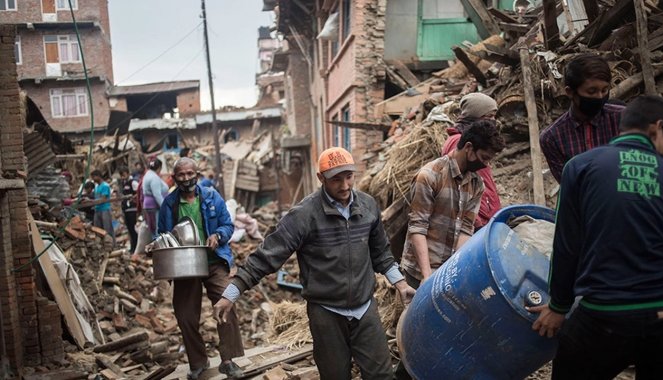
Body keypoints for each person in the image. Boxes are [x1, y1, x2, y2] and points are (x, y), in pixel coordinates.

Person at [213, 147, 416, 380]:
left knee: (382, 375)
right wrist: (231, 293)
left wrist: (401, 284)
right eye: (336, 179)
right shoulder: (304, 215)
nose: (345, 186)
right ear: (321, 179)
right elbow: (266, 257)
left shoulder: (368, 207)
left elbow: (381, 254)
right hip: (326, 313)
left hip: (364, 308)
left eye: (349, 177)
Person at [529, 95, 663, 378]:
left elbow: (567, 244)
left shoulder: (581, 167)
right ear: (657, 128)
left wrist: (559, 306)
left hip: (603, 314)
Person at [157, 157, 244, 379]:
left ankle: (228, 360)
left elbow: (228, 225)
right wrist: (156, 244)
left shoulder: (212, 196)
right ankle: (198, 362)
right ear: (174, 177)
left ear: (197, 174)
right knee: (185, 315)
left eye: (189, 174)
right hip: (185, 266)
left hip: (215, 261)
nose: (186, 179)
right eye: (181, 175)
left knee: (227, 301)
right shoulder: (170, 204)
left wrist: (218, 235)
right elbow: (163, 234)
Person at [402, 119, 505, 289]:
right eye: (484, 158)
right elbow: (417, 228)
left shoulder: (476, 184)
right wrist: (427, 277)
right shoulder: (429, 176)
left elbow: (466, 228)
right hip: (419, 271)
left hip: (446, 270)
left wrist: (455, 270)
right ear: (469, 148)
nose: (486, 164)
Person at [540, 54, 625, 183]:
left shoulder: (623, 119)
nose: (599, 96)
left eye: (604, 90)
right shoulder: (553, 138)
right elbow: (569, 186)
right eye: (591, 91)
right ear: (570, 92)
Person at [442, 93, 502, 230]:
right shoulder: (459, 142)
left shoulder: (475, 141)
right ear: (475, 116)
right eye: (489, 116)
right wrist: (477, 222)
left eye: (494, 116)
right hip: (475, 222)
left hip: (485, 219)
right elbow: (458, 189)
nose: (493, 121)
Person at [141, 159, 168, 237]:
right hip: (154, 206)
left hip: (149, 205)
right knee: (157, 229)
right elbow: (157, 195)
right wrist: (164, 206)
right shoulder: (154, 177)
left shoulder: (148, 175)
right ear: (159, 167)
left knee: (153, 228)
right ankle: (158, 246)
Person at [91, 170, 116, 247]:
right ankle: (102, 246)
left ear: (98, 176)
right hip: (97, 209)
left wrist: (92, 202)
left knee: (107, 228)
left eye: (93, 177)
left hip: (104, 209)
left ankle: (112, 245)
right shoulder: (97, 187)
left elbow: (103, 199)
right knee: (98, 229)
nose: (93, 179)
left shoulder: (105, 186)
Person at [119, 167, 139, 253]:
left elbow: (138, 193)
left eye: (123, 175)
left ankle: (136, 247)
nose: (122, 177)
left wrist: (131, 198)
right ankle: (133, 247)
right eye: (121, 176)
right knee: (130, 230)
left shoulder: (133, 182)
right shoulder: (124, 183)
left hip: (132, 209)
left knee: (134, 229)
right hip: (126, 210)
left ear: (127, 173)